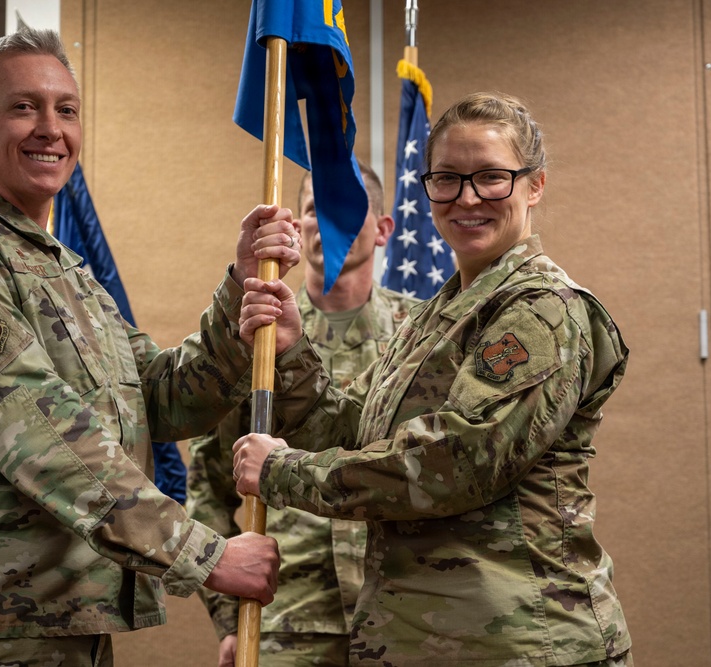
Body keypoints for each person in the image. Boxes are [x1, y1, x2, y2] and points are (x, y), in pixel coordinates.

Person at [0, 27, 301, 666]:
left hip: (64, 622)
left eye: (66, 110)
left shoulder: (65, 272)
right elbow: (38, 431)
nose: (51, 129)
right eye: (23, 107)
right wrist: (203, 555)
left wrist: (239, 295)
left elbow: (161, 399)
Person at [232, 91, 633, 666]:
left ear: (535, 186)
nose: (467, 198)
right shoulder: (433, 318)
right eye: (447, 179)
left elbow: (456, 461)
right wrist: (293, 353)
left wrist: (282, 472)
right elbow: (353, 429)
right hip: (427, 641)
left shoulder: (541, 309)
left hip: (521, 643)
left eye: (491, 177)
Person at [186, 163, 420, 667]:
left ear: (383, 229)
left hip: (403, 613)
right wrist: (228, 615)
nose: (329, 221)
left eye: (348, 207)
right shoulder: (259, 334)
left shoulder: (420, 336)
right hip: (288, 618)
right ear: (296, 226)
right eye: (316, 209)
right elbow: (209, 482)